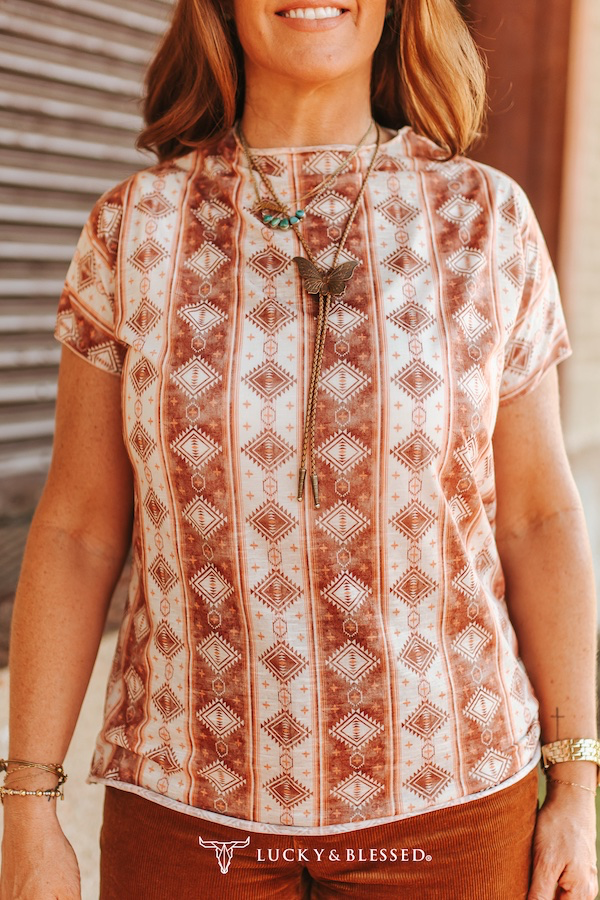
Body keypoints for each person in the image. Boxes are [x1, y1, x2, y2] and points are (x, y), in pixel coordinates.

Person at [0, 0, 598, 897]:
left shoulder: (486, 221)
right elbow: (80, 530)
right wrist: (27, 805)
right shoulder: (134, 231)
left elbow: (542, 518)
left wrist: (579, 777)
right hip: (189, 814)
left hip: (453, 803)